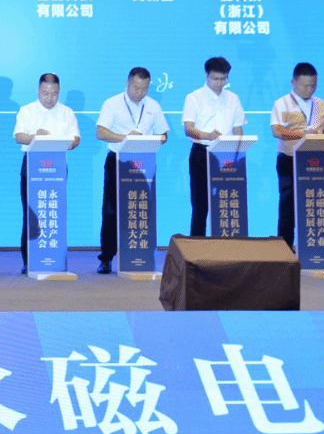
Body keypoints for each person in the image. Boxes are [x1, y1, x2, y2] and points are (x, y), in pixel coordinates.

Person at [94, 67, 169, 274]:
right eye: (136, 88)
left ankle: (140, 254)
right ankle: (106, 258)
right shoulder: (112, 103)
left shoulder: (153, 106)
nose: (140, 93)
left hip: (144, 162)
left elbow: (164, 135)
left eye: (144, 88)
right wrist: (127, 138)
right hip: (118, 160)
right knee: (111, 211)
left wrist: (152, 140)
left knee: (141, 209)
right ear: (127, 83)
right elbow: (101, 132)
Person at [13, 73, 80, 274]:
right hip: (32, 164)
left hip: (57, 166)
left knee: (54, 212)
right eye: (45, 93)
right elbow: (19, 136)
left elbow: (76, 139)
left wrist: (65, 141)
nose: (50, 98)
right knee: (32, 213)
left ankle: (56, 259)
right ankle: (29, 261)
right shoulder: (27, 110)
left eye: (54, 93)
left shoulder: (67, 112)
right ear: (38, 91)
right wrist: (36, 137)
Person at [270, 62, 324, 250]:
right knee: (288, 207)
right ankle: (285, 250)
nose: (309, 89)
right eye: (305, 85)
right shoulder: (282, 103)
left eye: (312, 85)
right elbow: (277, 131)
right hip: (289, 159)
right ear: (293, 82)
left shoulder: (320, 104)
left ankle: (315, 249)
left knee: (315, 205)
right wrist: (302, 135)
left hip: (316, 161)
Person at [182, 57, 246, 237]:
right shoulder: (194, 97)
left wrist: (240, 147)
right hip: (202, 153)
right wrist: (207, 135)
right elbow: (188, 129)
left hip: (227, 156)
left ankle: (227, 245)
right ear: (206, 75)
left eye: (223, 79)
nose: (219, 83)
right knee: (200, 204)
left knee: (227, 202)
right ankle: (197, 246)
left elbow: (238, 129)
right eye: (215, 78)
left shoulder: (233, 98)